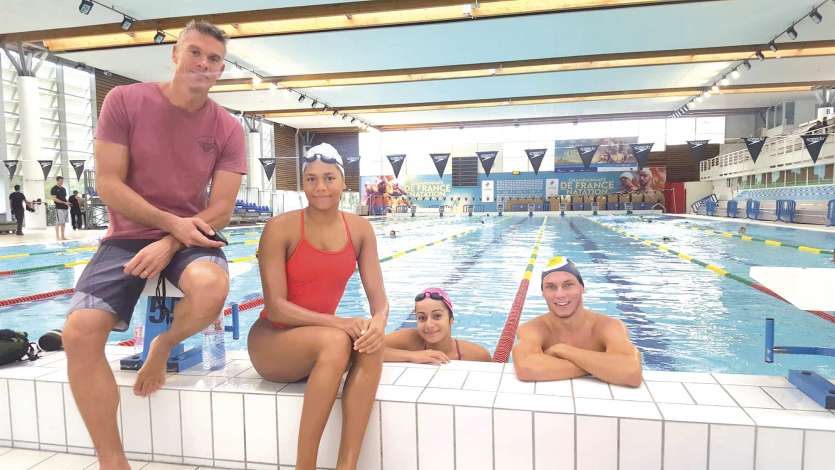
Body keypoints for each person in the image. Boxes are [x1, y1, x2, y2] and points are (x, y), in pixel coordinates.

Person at [61, 20, 246, 470]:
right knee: (78, 334)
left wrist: (171, 240)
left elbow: (220, 208)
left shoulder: (227, 127)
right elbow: (108, 182)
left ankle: (161, 346)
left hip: (193, 235)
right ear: (176, 54)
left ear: (222, 70)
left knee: (211, 288)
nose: (203, 64)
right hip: (126, 237)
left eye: (214, 59)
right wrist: (168, 226)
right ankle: (112, 459)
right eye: (196, 53)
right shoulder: (125, 101)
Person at [248, 143, 388, 470]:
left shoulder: (360, 230)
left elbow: (379, 300)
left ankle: (347, 465)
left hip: (318, 342)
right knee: (338, 338)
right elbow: (277, 307)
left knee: (370, 341)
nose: (320, 187)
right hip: (272, 342)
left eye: (328, 178)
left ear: (343, 182)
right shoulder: (279, 228)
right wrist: (339, 323)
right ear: (302, 184)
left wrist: (378, 322)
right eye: (311, 179)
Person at [512, 257, 642, 387]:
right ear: (543, 293)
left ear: (581, 288)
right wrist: (601, 368)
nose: (560, 295)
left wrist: (562, 350)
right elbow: (526, 368)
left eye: (568, 285)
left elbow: (631, 372)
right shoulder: (532, 328)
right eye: (551, 287)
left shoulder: (608, 326)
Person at [384, 287, 491, 364]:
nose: (429, 324)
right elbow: (368, 350)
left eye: (437, 316)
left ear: (451, 320)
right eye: (422, 318)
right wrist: (412, 355)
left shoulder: (477, 355)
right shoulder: (409, 339)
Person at [50, 176, 70, 240]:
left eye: (62, 181)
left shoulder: (63, 189)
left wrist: (67, 203)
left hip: (65, 207)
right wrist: (64, 202)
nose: (62, 182)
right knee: (58, 222)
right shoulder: (54, 188)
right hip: (59, 208)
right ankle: (57, 236)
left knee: (63, 223)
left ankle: (63, 236)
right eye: (60, 181)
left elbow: (64, 198)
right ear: (57, 181)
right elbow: (54, 199)